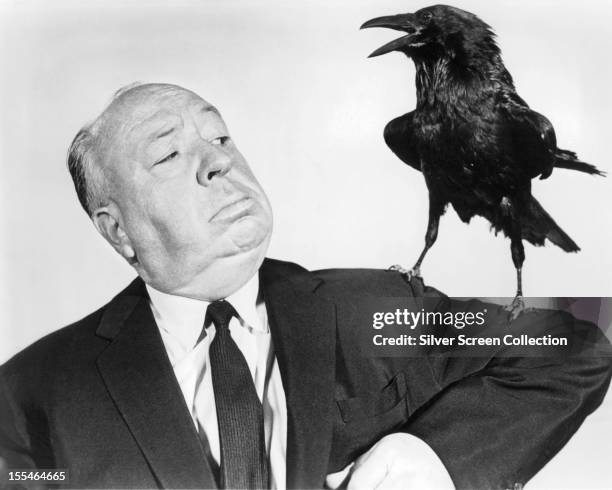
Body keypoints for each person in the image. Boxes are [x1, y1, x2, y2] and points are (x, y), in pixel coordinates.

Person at [0, 83, 610, 490]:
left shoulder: (378, 310)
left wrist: (430, 458)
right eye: (168, 155)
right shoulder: (30, 394)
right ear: (118, 231)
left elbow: (576, 342)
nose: (218, 162)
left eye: (220, 138)